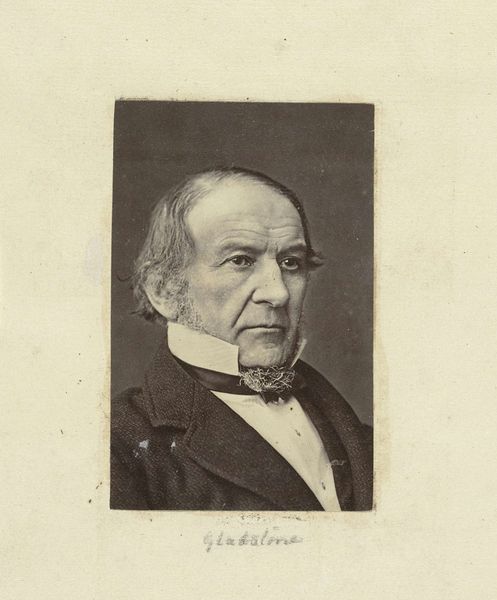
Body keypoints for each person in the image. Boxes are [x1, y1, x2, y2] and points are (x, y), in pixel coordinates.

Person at [111, 166, 373, 511]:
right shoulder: (117, 447)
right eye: (241, 260)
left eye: (291, 263)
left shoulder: (355, 431)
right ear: (164, 290)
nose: (278, 293)